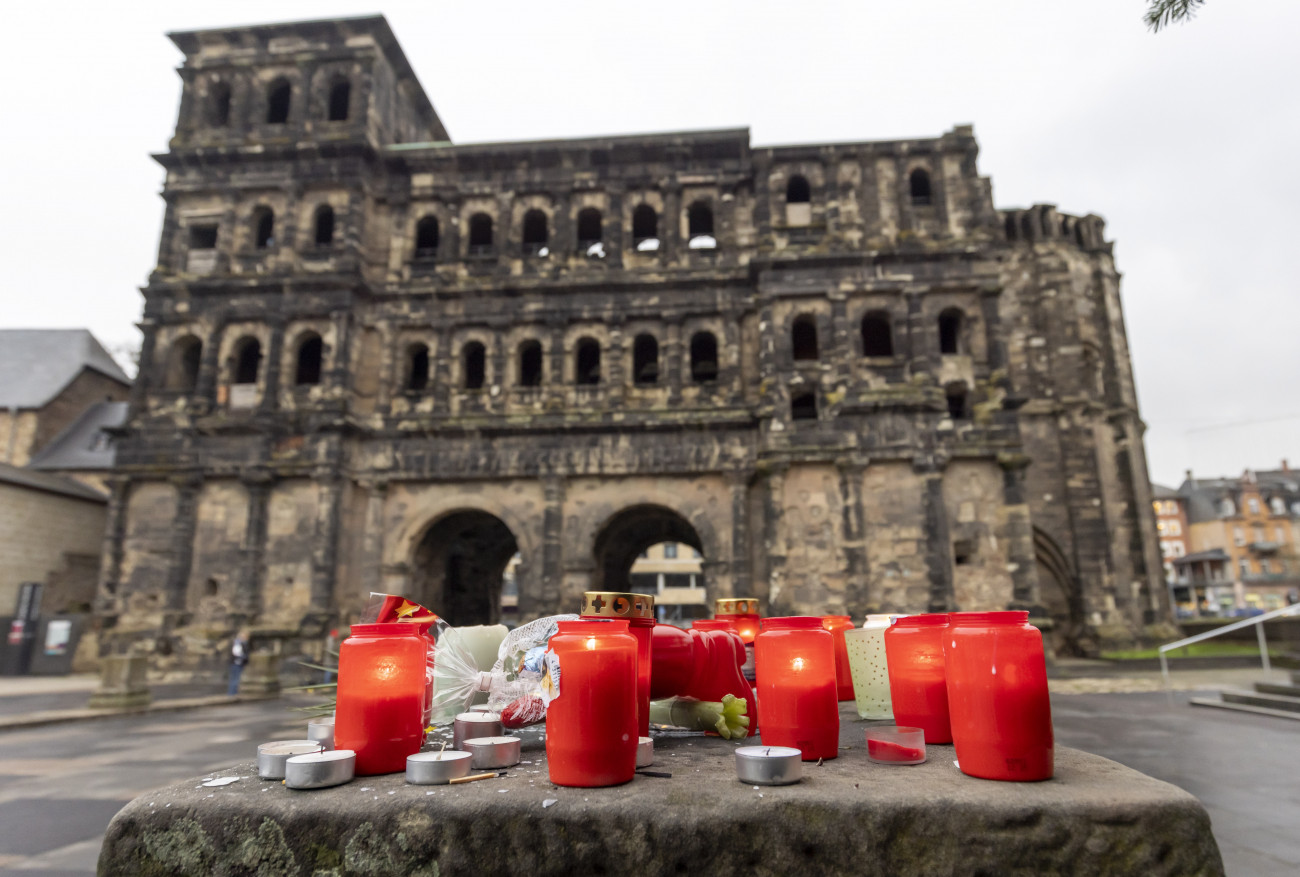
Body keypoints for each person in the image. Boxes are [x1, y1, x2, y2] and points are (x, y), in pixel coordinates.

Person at [228, 630, 250, 696]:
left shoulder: (239, 643)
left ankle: (233, 693)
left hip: (237, 663)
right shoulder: (238, 643)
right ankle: (232, 694)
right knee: (235, 679)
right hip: (237, 663)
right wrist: (244, 658)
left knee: (235, 678)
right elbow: (237, 654)